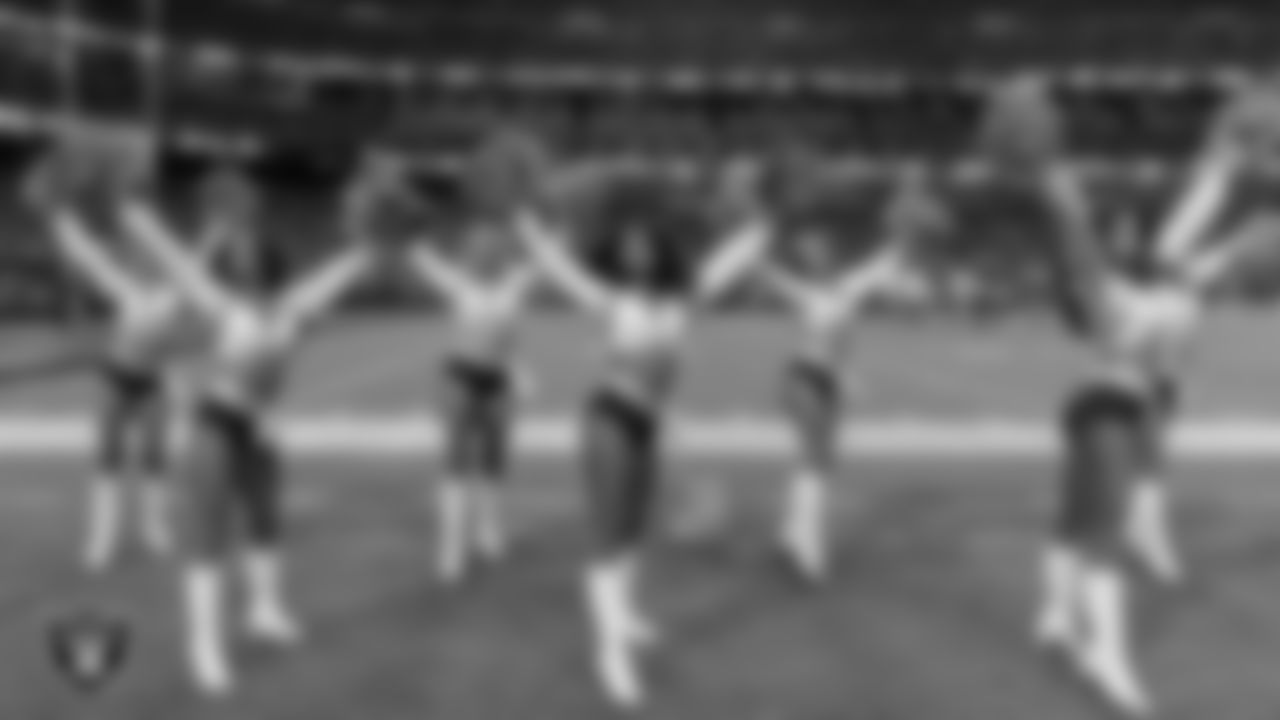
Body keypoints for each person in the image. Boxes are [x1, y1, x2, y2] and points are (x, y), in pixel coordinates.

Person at [120, 143, 377, 696]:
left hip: (260, 427)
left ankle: (264, 609)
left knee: (265, 523)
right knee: (208, 535)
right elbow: (175, 261)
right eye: (247, 271)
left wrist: (372, 245)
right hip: (215, 423)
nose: (255, 278)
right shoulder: (221, 304)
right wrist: (134, 213)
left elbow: (337, 276)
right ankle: (204, 644)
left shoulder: (291, 311)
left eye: (263, 272)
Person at [514, 160, 770, 709]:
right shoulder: (610, 302)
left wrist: (756, 203)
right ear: (618, 255)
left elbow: (744, 251)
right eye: (628, 245)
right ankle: (610, 653)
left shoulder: (685, 301)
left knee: (634, 532)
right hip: (608, 419)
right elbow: (554, 264)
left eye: (645, 244)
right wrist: (527, 217)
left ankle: (625, 617)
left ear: (662, 250)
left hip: (649, 427)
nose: (637, 252)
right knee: (608, 538)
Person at [23, 133, 228, 572]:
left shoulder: (173, 289)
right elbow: (87, 255)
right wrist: (59, 215)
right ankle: (101, 538)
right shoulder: (130, 290)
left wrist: (213, 234)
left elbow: (188, 270)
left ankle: (154, 529)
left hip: (153, 380)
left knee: (154, 456)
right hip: (118, 375)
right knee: (108, 455)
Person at [752, 170, 933, 582]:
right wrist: (766, 221)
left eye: (822, 250)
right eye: (810, 252)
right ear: (805, 259)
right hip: (803, 376)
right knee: (815, 460)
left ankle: (791, 537)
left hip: (829, 381)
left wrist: (906, 211)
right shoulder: (802, 291)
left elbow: (894, 255)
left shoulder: (851, 285)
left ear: (832, 255)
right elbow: (760, 269)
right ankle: (809, 552)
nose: (817, 256)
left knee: (818, 463)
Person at [403, 220, 540, 584]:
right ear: (468, 255)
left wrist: (518, 372)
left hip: (497, 380)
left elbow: (546, 255)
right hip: (460, 376)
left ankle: (488, 528)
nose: (484, 254)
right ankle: (450, 546)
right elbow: (419, 256)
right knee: (455, 458)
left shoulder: (516, 282)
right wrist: (401, 218)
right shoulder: (457, 282)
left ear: (501, 254)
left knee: (495, 457)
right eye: (477, 249)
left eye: (491, 248)